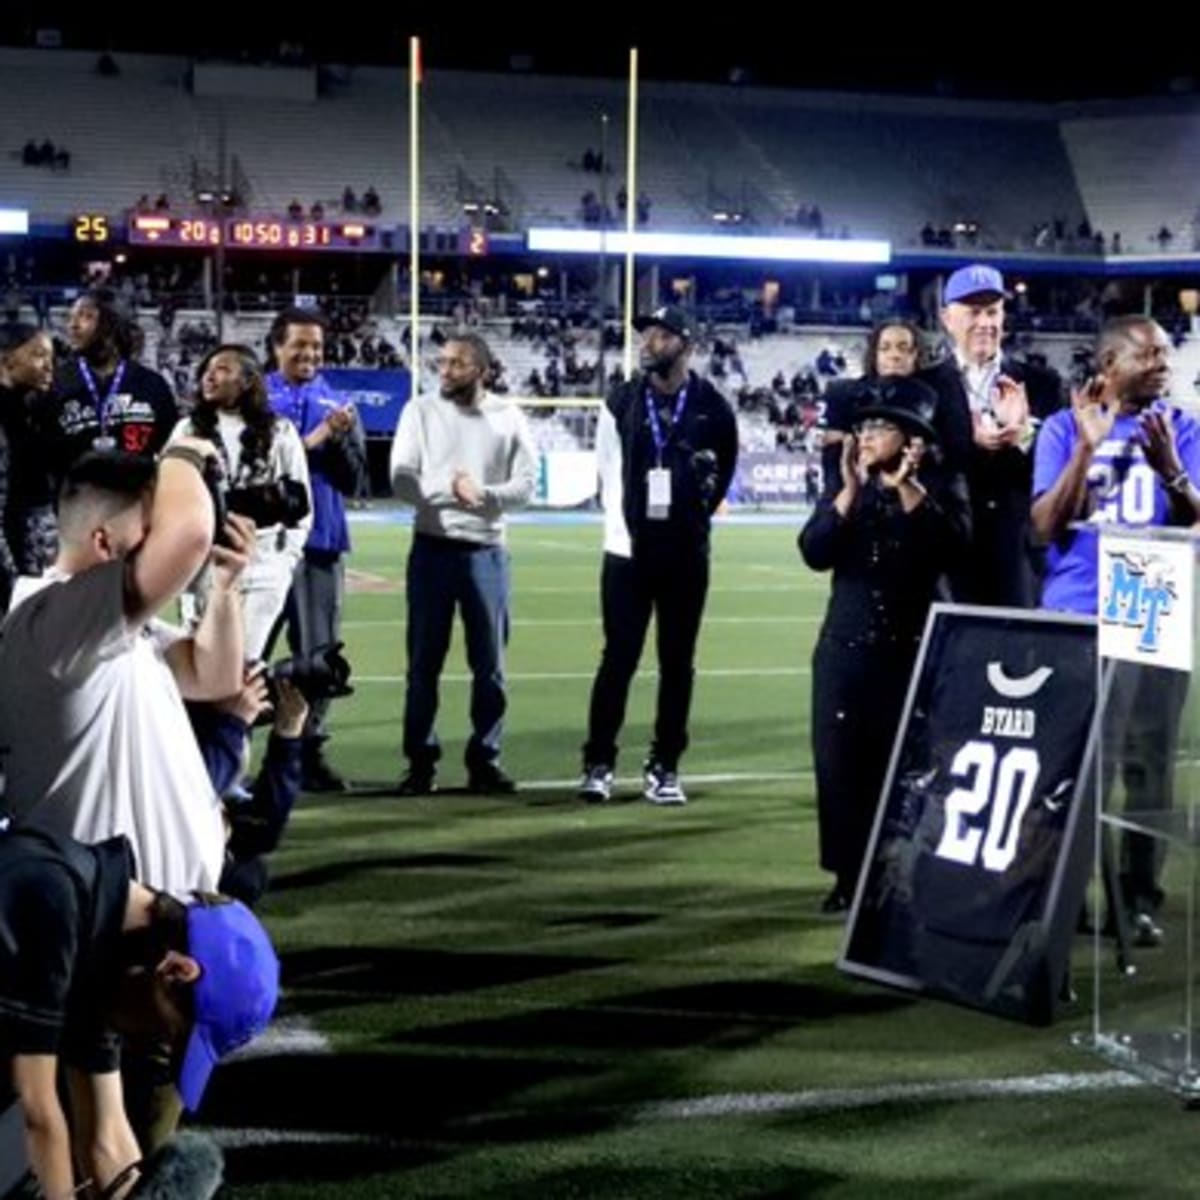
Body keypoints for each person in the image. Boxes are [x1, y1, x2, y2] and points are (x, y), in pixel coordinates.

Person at [0, 447, 253, 895]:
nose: (160, 542)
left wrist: (225, 586)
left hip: (160, 918)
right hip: (109, 930)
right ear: (104, 542)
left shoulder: (106, 627)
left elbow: (214, 678)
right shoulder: (48, 621)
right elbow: (190, 533)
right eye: (151, 529)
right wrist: (181, 453)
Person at [1032, 315, 1200, 943]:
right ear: (1108, 365)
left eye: (1164, 353)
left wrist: (1172, 471)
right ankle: (1064, 896)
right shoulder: (1058, 428)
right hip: (1077, 612)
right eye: (1148, 354)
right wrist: (1083, 448)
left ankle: (1138, 900)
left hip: (1153, 608)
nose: (1163, 363)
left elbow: (1196, 527)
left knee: (1148, 769)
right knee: (1074, 769)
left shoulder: (1184, 429)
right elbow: (1044, 527)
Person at [0, 826, 278, 1199]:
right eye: (165, 1033)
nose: (152, 1043)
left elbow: (106, 1139)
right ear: (175, 972)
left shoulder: (103, 957)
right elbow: (36, 1116)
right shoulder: (53, 895)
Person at [800, 379, 969, 912]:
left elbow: (952, 548)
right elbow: (814, 550)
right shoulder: (851, 487)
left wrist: (908, 489)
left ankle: (896, 873)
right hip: (843, 650)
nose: (868, 435)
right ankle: (848, 875)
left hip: (908, 652)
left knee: (899, 770)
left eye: (881, 426)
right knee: (839, 767)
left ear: (912, 438)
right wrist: (847, 491)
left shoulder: (938, 486)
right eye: (865, 426)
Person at [579, 304, 738, 804]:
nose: (647, 342)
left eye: (660, 335)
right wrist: (624, 533)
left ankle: (665, 764)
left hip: (685, 554)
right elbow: (609, 470)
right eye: (645, 334)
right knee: (618, 659)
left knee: (677, 663)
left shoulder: (713, 405)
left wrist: (692, 522)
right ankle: (599, 762)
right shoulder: (622, 399)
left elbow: (723, 474)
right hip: (628, 553)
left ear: (685, 344)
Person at [389, 332, 537, 795]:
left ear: (483, 370)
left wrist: (485, 495)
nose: (445, 370)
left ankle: (485, 760)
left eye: (457, 363)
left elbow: (527, 486)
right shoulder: (420, 410)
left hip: (487, 553)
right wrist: (449, 489)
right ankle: (420, 762)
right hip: (432, 548)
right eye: (443, 362)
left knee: (490, 666)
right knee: (423, 666)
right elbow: (401, 478)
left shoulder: (508, 417)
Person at [920, 264, 1063, 607]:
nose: (985, 323)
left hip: (1016, 557)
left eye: (993, 311)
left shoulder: (1042, 383)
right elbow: (922, 470)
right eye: (973, 312)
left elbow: (1055, 471)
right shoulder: (924, 387)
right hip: (946, 558)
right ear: (947, 318)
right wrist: (968, 443)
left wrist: (1023, 435)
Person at [266, 308, 366, 792]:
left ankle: (307, 751)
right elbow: (267, 464)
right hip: (263, 543)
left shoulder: (338, 401)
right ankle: (223, 749)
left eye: (317, 347)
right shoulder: (255, 397)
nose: (309, 354)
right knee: (244, 652)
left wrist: (344, 442)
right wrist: (321, 436)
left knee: (318, 656)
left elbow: (355, 480)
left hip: (320, 541)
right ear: (276, 347)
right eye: (299, 345)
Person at [170, 344, 311, 659]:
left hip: (263, 566)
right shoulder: (186, 430)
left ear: (247, 381)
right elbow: (170, 499)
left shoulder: (280, 432)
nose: (209, 375)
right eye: (207, 370)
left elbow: (301, 506)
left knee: (243, 668)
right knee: (201, 666)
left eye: (221, 369)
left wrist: (284, 561)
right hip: (203, 565)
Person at [44, 288, 178, 484]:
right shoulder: (56, 382)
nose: (72, 325)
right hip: (77, 505)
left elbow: (170, 451)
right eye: (71, 317)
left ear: (112, 324)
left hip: (139, 504)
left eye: (86, 316)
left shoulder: (152, 384)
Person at [820, 320, 924, 499]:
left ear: (915, 354)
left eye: (903, 348)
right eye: (885, 348)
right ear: (874, 354)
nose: (894, 355)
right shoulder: (844, 396)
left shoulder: (931, 399)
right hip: (856, 503)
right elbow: (833, 470)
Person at [0, 323, 57, 608]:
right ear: (7, 359)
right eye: (39, 355)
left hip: (32, 552)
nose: (49, 366)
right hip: (13, 558)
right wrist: (12, 581)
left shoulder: (30, 407)